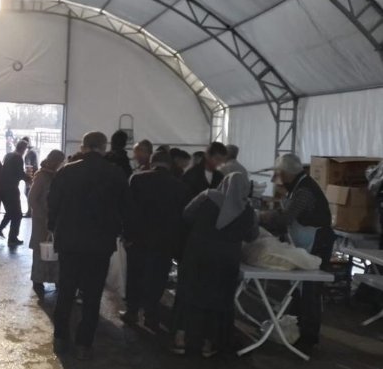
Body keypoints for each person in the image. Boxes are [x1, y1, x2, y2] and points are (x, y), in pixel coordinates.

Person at [49, 132, 127, 360]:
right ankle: (84, 342)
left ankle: (60, 337)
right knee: (93, 295)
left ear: (83, 147)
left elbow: (53, 204)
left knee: (66, 290)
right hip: (100, 244)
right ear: (104, 147)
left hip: (69, 242)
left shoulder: (66, 171)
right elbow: (125, 208)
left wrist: (53, 228)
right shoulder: (115, 173)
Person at [171, 173, 259, 357]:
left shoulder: (207, 196)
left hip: (197, 254)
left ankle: (181, 338)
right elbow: (252, 236)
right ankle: (208, 343)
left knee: (188, 294)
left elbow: (186, 215)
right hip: (226, 261)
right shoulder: (248, 210)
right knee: (218, 300)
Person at [259, 154, 334, 353]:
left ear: (286, 173)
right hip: (306, 242)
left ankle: (309, 338)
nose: (278, 178)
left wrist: (263, 217)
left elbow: (286, 219)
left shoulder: (304, 190)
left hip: (317, 242)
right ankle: (297, 330)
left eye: (279, 173)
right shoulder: (298, 187)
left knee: (310, 289)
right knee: (300, 289)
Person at [121, 151, 189, 333]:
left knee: (135, 275)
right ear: (169, 165)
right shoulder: (179, 186)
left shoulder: (137, 179)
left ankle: (132, 311)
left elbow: (128, 210)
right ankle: (151, 315)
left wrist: (127, 236)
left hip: (138, 239)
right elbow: (182, 219)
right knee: (157, 278)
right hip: (165, 242)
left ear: (152, 162)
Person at [28, 149, 65, 297]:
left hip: (53, 219)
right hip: (41, 221)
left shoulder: (57, 175)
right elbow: (32, 199)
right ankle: (38, 280)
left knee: (53, 249)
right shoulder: (42, 176)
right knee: (41, 249)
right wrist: (42, 216)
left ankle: (55, 278)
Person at [0, 140, 31, 246]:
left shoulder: (9, 155)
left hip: (2, 188)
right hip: (11, 189)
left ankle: (0, 229)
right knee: (17, 214)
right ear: (24, 149)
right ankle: (12, 237)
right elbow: (19, 173)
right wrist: (29, 179)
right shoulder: (18, 158)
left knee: (10, 212)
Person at [22, 136, 39, 218]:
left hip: (31, 175)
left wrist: (28, 178)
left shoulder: (29, 153)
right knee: (29, 193)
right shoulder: (34, 151)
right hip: (35, 173)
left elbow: (28, 166)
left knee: (28, 193)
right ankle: (30, 211)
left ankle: (29, 211)